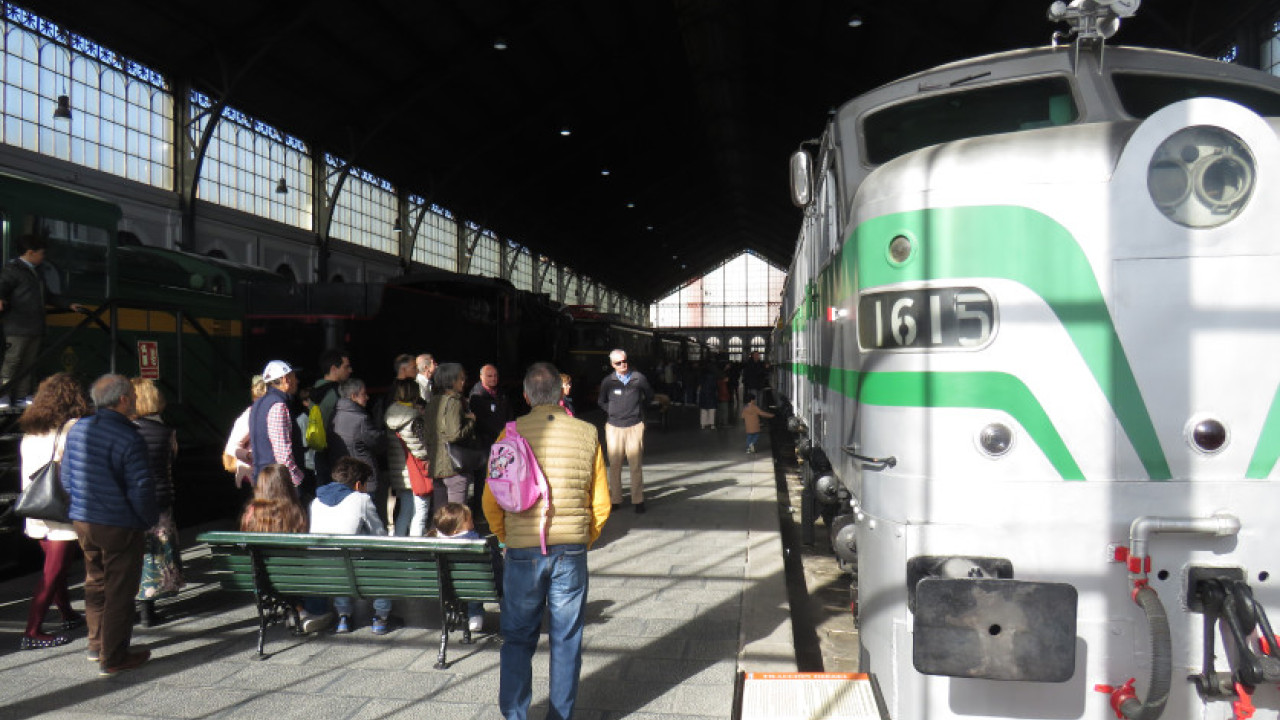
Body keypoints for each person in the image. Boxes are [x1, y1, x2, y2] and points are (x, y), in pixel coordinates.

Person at [482, 362, 611, 720]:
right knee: (566, 640)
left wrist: (509, 537)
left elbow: (490, 501)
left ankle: (515, 715)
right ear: (561, 393)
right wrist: (585, 537)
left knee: (517, 640)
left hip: (522, 552)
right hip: (570, 550)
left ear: (525, 396)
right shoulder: (587, 433)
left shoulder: (507, 436)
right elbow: (600, 501)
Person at [65, 374, 156, 676]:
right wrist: (146, 521)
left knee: (95, 581)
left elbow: (66, 477)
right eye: (132, 394)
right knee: (120, 590)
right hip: (118, 524)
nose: (135, 399)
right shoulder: (130, 436)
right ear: (123, 399)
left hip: (83, 520)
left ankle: (95, 644)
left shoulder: (78, 429)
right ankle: (114, 657)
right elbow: (141, 488)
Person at [17, 372, 90, 650]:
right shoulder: (71, 427)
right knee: (53, 570)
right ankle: (32, 630)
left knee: (55, 566)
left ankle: (67, 613)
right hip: (60, 508)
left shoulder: (31, 429)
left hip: (36, 505)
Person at [240, 464, 333, 633]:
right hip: (293, 577)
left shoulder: (251, 513)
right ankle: (310, 612)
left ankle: (297, 610)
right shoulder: (295, 510)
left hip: (262, 579)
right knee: (315, 566)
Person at [310, 457, 393, 634]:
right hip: (353, 568)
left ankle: (343, 617)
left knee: (339, 557)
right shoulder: (361, 499)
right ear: (357, 485)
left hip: (323, 568)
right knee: (385, 561)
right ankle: (381, 617)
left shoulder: (317, 501)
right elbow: (379, 535)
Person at [0, 234, 84, 407]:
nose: (43, 257)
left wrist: (68, 304)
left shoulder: (35, 273)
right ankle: (3, 395)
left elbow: (48, 296)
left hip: (34, 327)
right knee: (12, 362)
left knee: (28, 364)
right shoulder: (13, 270)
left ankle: (22, 396)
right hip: (17, 327)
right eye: (41, 253)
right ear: (30, 253)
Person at [129, 378, 184, 627]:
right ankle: (148, 611)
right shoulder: (167, 432)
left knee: (134, 554)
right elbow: (171, 461)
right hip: (160, 500)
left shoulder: (127, 431)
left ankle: (130, 606)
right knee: (156, 555)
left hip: (132, 502)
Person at [598, 349, 653, 513]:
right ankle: (616, 499)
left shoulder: (639, 378)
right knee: (615, 464)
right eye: (618, 363)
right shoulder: (608, 382)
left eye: (625, 361)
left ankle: (638, 500)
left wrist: (637, 411)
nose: (623, 365)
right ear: (612, 365)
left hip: (634, 426)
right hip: (614, 427)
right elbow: (601, 401)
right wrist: (613, 411)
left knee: (635, 464)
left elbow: (650, 395)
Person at [424, 362, 478, 516]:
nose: (463, 382)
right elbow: (454, 434)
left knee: (440, 515)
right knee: (457, 516)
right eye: (460, 379)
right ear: (451, 380)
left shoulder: (432, 402)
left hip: (437, 467)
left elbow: (428, 435)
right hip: (454, 467)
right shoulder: (453, 402)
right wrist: (471, 420)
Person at [430, 502, 490, 632]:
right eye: (469, 520)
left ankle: (451, 610)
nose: (472, 522)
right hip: (473, 584)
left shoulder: (434, 542)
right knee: (477, 579)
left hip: (445, 586)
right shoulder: (476, 540)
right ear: (457, 530)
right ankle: (475, 615)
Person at [249, 360, 305, 489]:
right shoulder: (278, 405)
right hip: (279, 484)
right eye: (294, 376)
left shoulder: (258, 404)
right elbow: (282, 453)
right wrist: (297, 480)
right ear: (286, 380)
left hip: (263, 480)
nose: (297, 381)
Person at [328, 378, 384, 505]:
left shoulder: (333, 416)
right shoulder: (361, 419)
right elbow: (377, 443)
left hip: (342, 475)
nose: (367, 397)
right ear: (353, 396)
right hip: (363, 476)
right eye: (364, 394)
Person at [385, 377, 430, 536]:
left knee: (405, 511)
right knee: (420, 513)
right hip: (416, 472)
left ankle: (399, 546)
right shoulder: (413, 417)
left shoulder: (390, 414)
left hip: (400, 471)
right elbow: (421, 449)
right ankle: (416, 550)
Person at [311, 349, 352, 485]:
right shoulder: (336, 394)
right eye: (346, 367)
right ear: (334, 369)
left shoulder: (314, 391)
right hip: (336, 453)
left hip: (317, 451)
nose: (350, 370)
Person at [223, 374, 266, 495]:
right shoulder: (249, 416)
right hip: (254, 479)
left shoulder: (268, 414)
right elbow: (230, 451)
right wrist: (250, 458)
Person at [697, 363, 718, 430]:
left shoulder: (701, 376)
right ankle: (712, 424)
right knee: (711, 410)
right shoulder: (713, 376)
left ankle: (703, 424)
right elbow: (715, 386)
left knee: (703, 410)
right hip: (711, 395)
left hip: (703, 394)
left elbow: (699, 386)